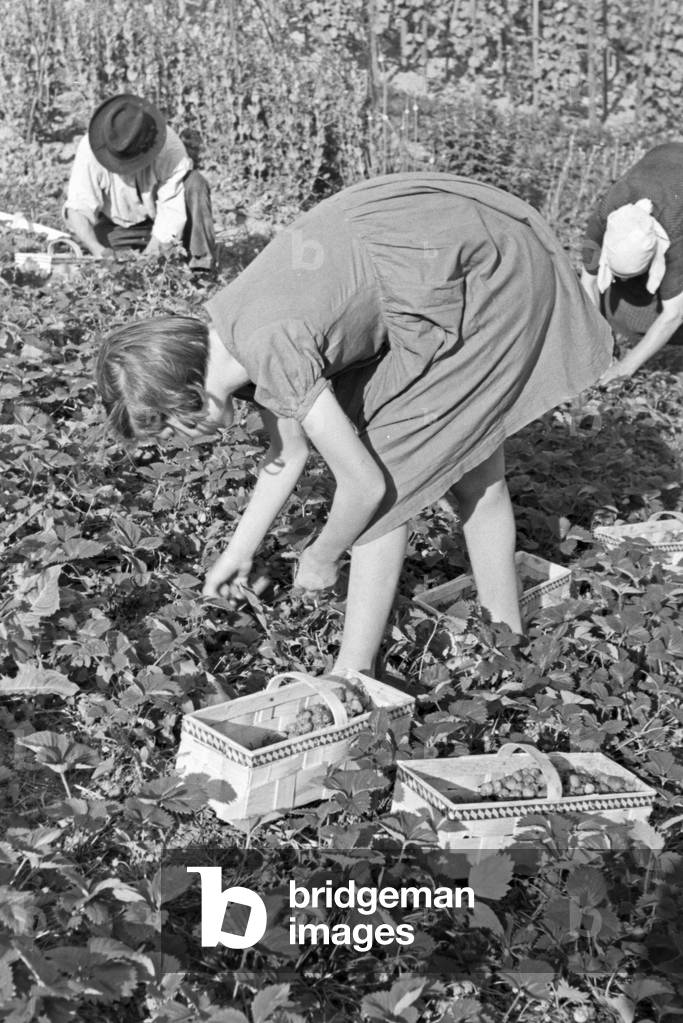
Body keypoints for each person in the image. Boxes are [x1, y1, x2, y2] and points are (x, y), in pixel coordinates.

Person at [96, 173, 612, 675]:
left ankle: (352, 675)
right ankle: (509, 642)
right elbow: (288, 453)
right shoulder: (233, 332)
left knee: (390, 472)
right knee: (467, 473)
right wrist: (237, 552)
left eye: (169, 431)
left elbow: (366, 485)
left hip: (483, 273)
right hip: (446, 251)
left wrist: (322, 556)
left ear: (184, 395)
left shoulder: (269, 344)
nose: (181, 445)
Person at [64, 93, 216, 271]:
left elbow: (171, 214)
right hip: (116, 228)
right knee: (112, 267)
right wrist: (98, 251)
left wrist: (150, 257)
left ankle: (201, 268)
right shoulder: (89, 150)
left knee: (195, 183)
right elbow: (78, 206)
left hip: (161, 223)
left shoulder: (170, 150)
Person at [580, 143, 683, 383]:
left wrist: (623, 368)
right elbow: (588, 284)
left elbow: (673, 315)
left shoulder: (676, 237)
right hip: (661, 158)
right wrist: (595, 348)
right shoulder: (603, 217)